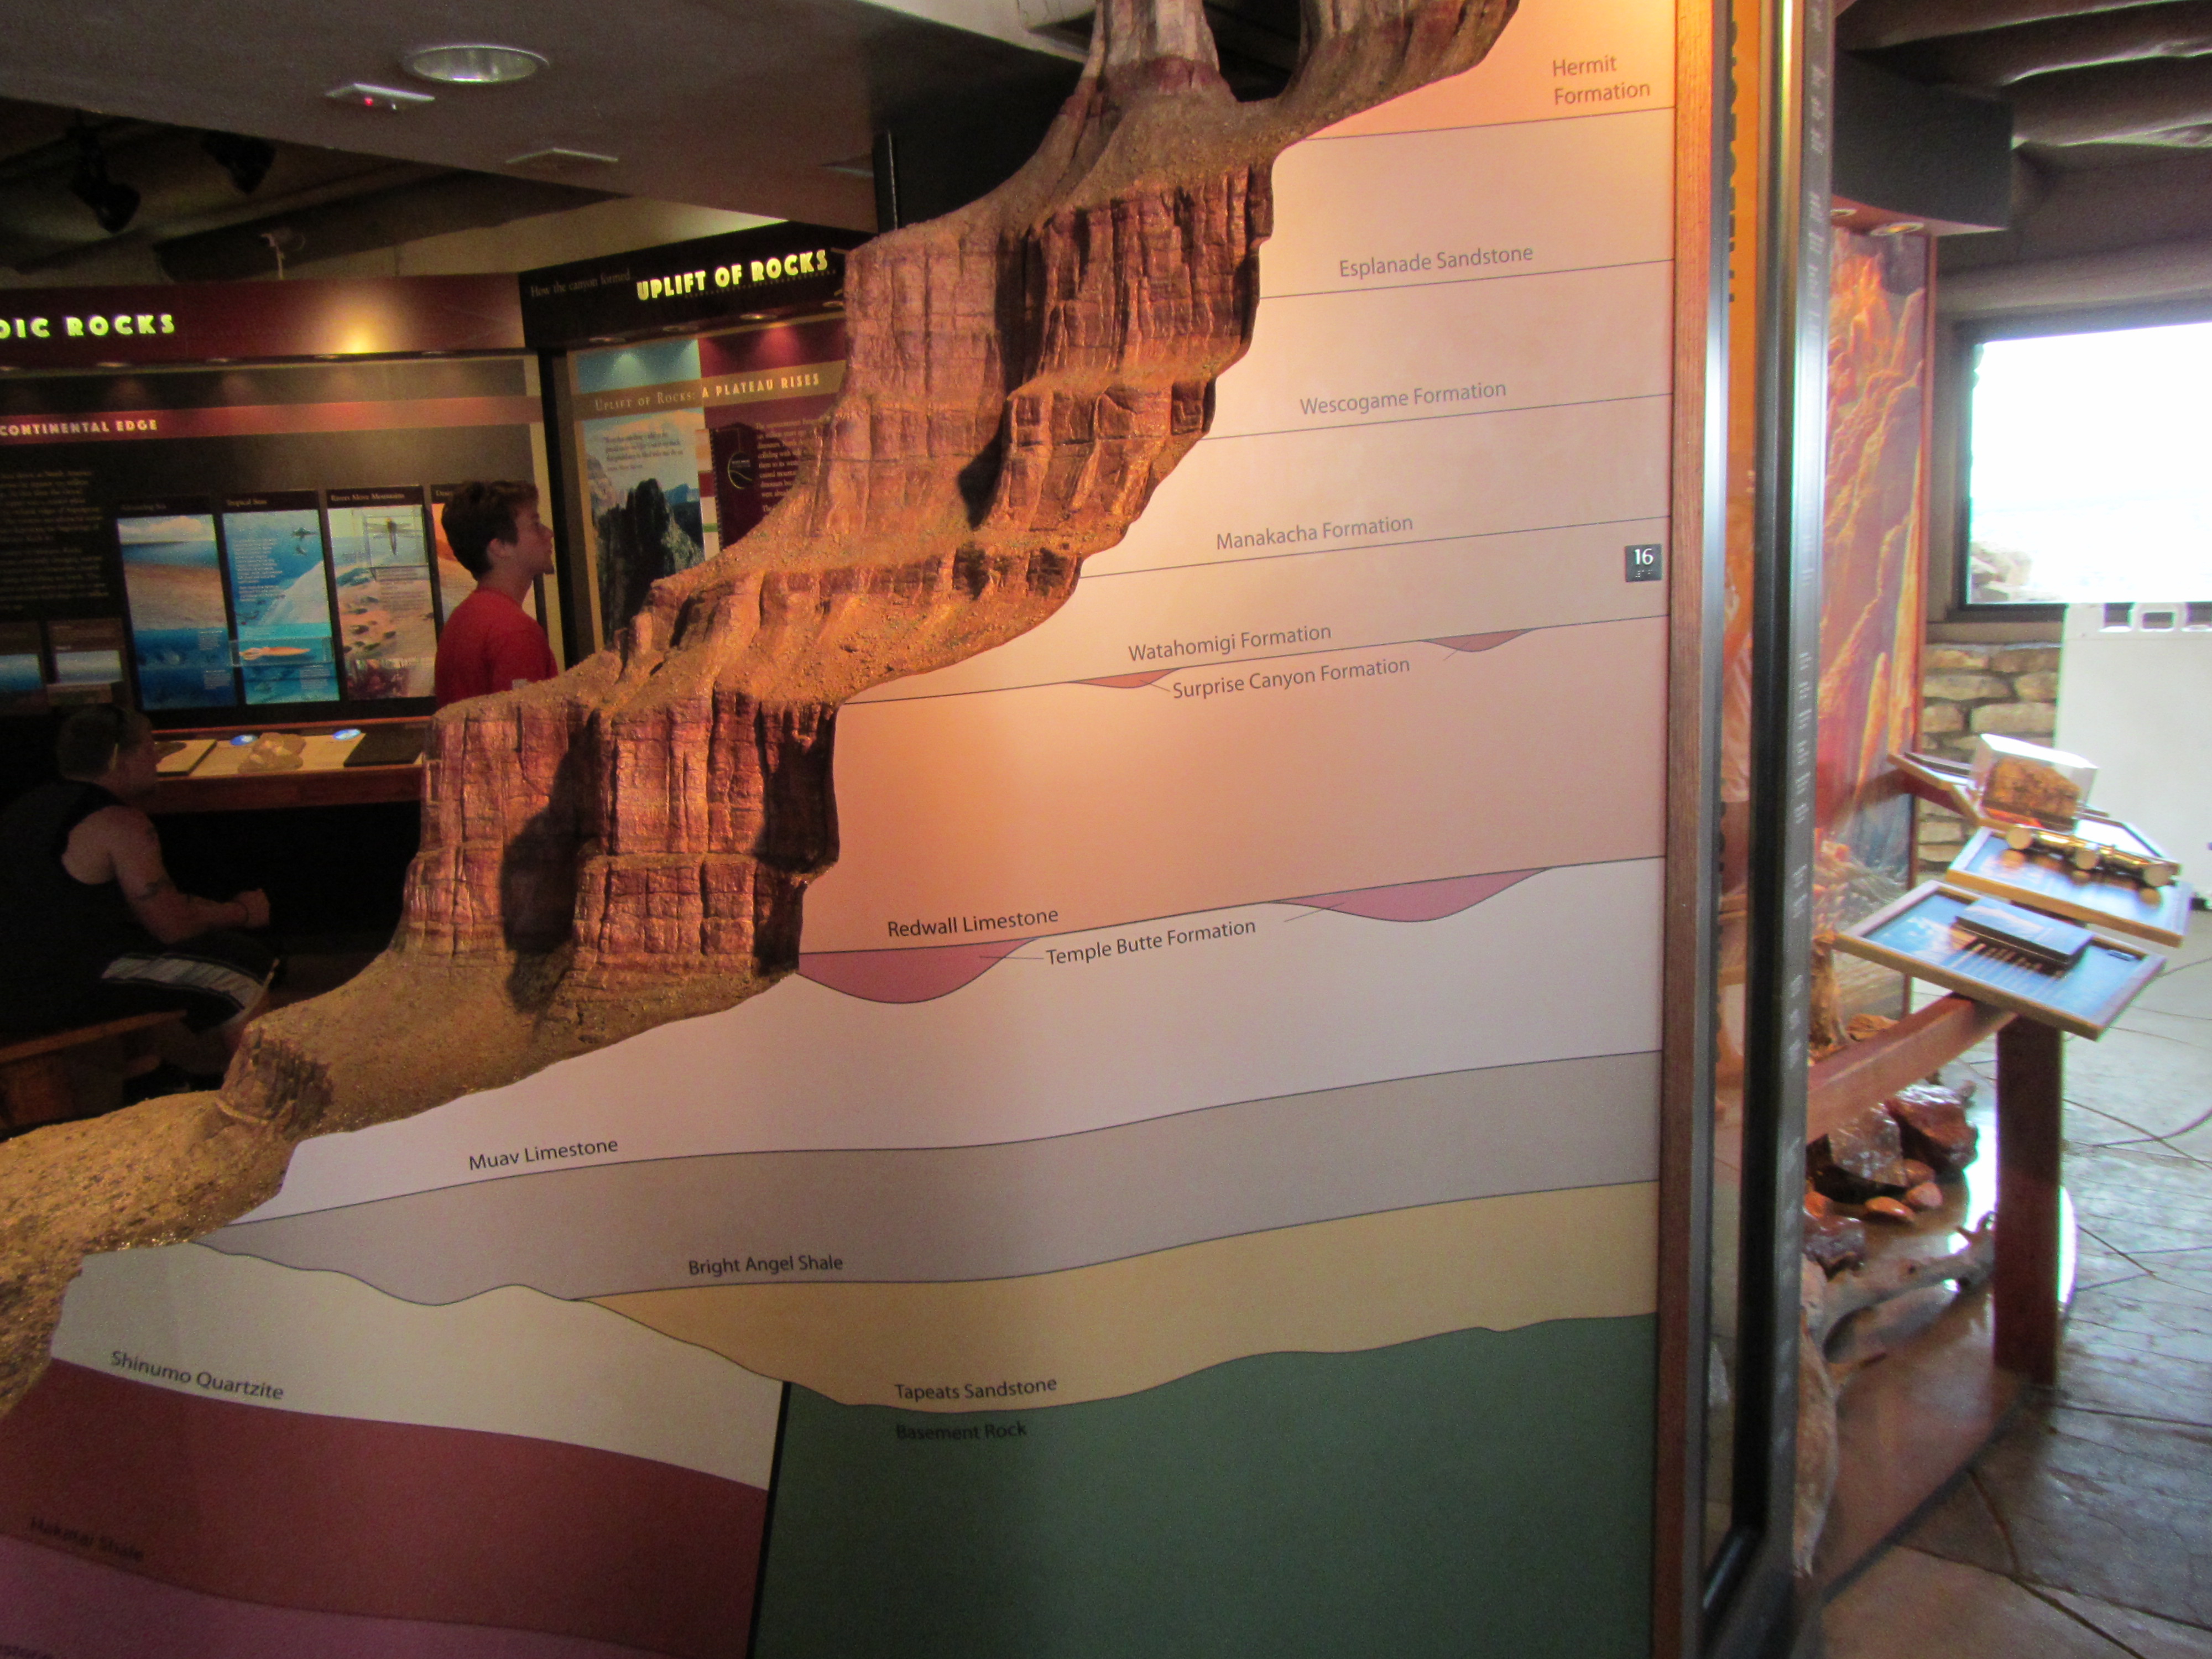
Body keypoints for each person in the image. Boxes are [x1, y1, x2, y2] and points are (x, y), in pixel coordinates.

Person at [0, 706, 276, 1068]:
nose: (157, 759)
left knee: (131, 945)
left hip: (17, 976)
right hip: (42, 989)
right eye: (150, 748)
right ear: (119, 758)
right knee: (242, 967)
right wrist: (242, 913)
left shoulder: (27, 806)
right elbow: (173, 926)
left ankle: (145, 1075)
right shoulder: (118, 823)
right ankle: (264, 1092)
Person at [433, 480, 560, 707]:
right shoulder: (514, 631)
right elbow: (526, 724)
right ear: (500, 547)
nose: (549, 533)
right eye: (535, 524)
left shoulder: (464, 616)